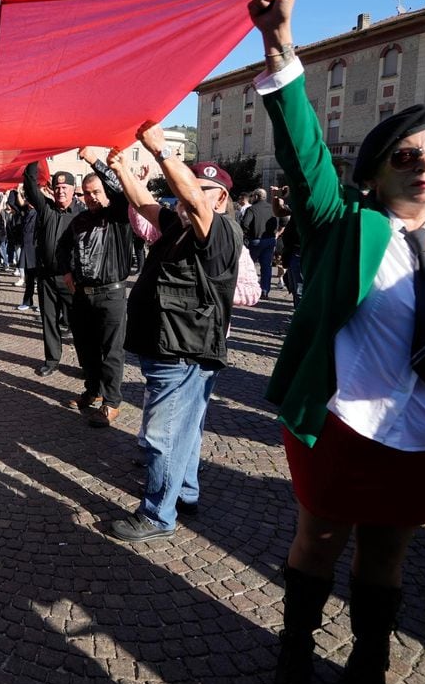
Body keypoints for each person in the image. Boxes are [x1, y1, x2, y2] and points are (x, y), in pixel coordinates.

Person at [249, 0, 425, 684]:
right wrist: (280, 44)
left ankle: (370, 670)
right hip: (347, 422)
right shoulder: (346, 226)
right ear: (376, 170)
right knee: (319, 539)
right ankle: (294, 654)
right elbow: (304, 149)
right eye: (407, 153)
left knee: (388, 556)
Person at [106, 131, 241, 543]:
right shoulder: (179, 225)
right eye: (188, 188)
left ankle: (157, 515)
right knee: (185, 429)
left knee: (162, 434)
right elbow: (143, 202)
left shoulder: (219, 232)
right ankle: (184, 492)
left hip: (182, 351)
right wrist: (119, 168)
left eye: (202, 191)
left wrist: (161, 150)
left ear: (219, 199)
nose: (188, 197)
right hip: (173, 347)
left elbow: (194, 202)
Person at [60, 147, 133, 427]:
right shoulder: (79, 220)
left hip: (111, 294)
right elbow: (62, 247)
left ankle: (111, 402)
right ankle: (92, 390)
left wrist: (95, 161)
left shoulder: (117, 216)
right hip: (83, 296)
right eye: (87, 193)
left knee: (111, 350)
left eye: (96, 191)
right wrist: (66, 272)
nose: (91, 197)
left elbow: (120, 191)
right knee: (85, 348)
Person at [22, 163, 84, 376]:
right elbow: (30, 187)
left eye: (65, 187)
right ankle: (52, 359)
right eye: (57, 187)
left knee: (79, 323)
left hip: (71, 279)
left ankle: (86, 363)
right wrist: (34, 159)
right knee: (49, 319)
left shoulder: (82, 214)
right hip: (47, 276)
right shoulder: (46, 208)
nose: (60, 191)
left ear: (73, 190)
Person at [241, 188, 278, 299]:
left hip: (255, 240)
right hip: (270, 240)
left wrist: (247, 235)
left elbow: (245, 225)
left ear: (256, 197)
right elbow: (275, 223)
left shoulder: (252, 209)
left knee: (249, 265)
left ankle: (249, 289)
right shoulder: (272, 208)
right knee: (267, 267)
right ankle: (265, 290)